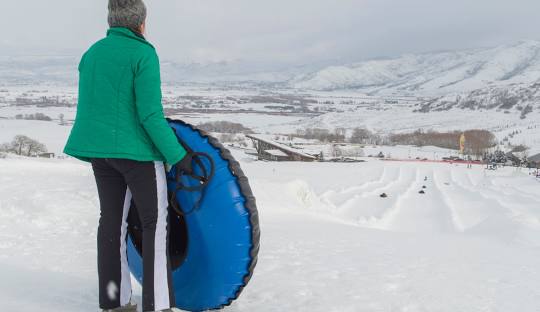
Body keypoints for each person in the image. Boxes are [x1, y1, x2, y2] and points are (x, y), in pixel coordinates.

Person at [63, 0, 191, 311]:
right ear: (141, 23)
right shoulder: (143, 53)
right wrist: (178, 155)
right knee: (154, 224)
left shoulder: (92, 53)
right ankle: (157, 305)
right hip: (137, 155)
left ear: (111, 21)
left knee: (111, 224)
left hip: (100, 155)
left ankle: (114, 300)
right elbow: (149, 114)